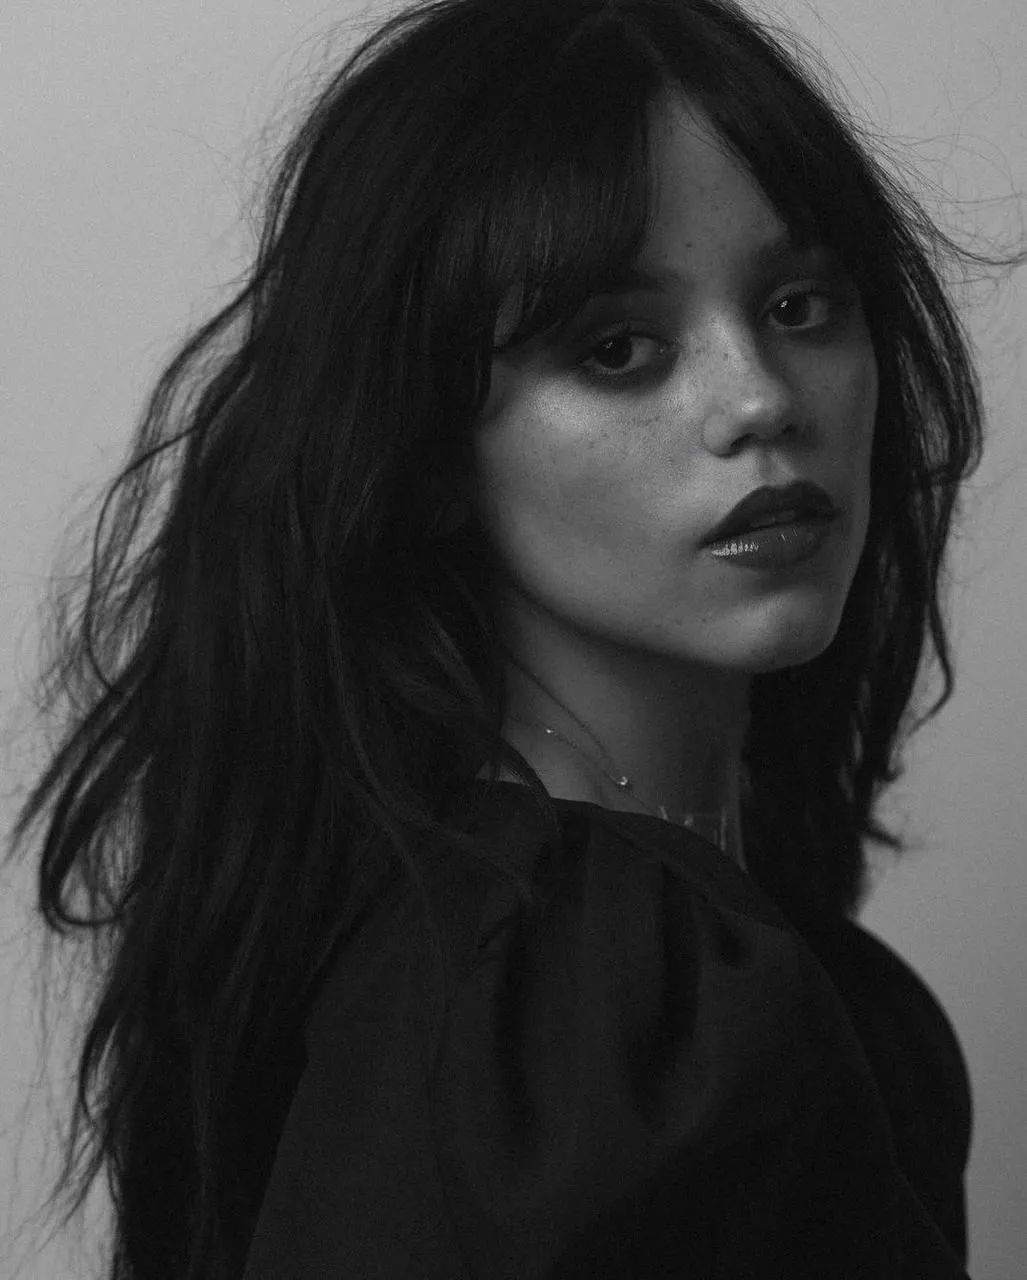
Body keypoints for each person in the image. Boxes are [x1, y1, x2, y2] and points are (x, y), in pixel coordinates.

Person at [5, 0, 1024, 1275]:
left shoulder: (626, 954)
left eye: (802, 303)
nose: (759, 397)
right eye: (617, 347)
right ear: (428, 452)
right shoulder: (561, 1006)